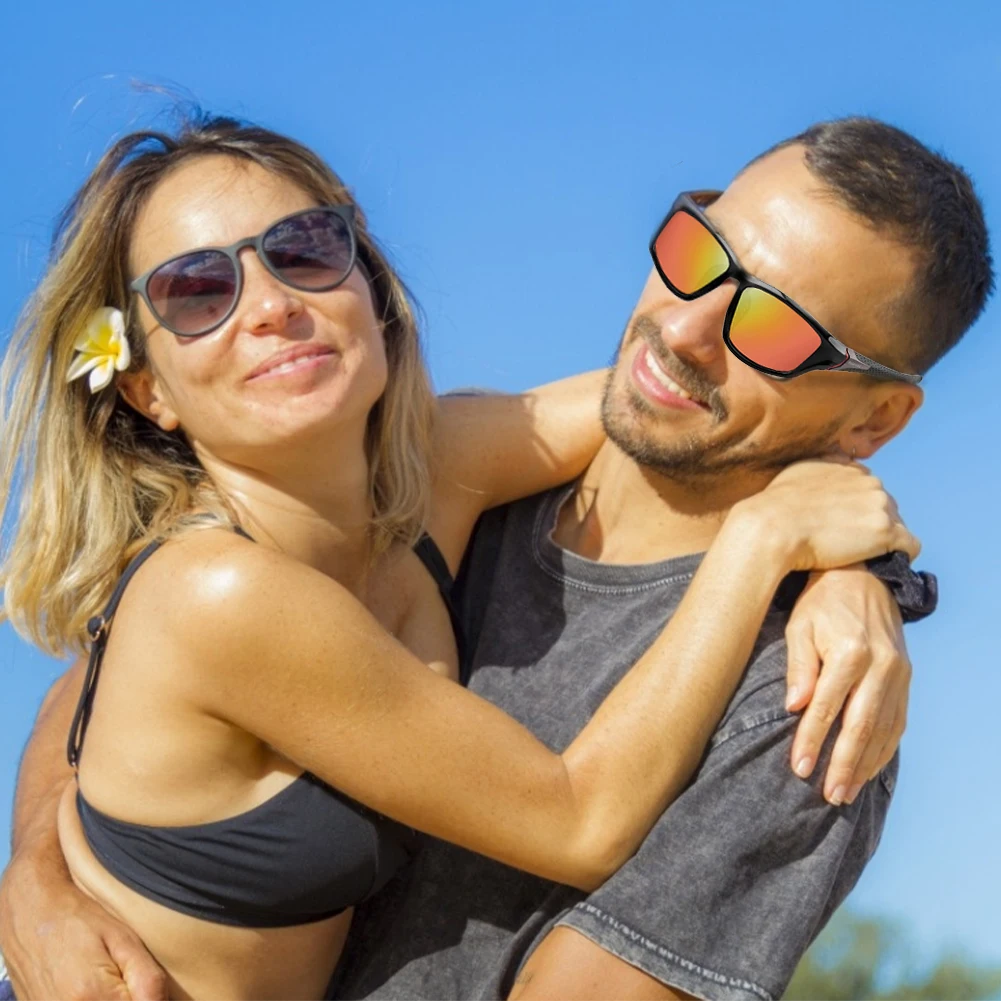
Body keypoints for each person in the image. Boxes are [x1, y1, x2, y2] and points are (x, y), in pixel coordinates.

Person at [0, 114, 953, 1000]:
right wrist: (765, 540)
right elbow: (578, 818)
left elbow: (683, 401)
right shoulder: (216, 588)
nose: (271, 306)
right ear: (146, 389)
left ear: (368, 282)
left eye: (304, 250)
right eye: (197, 291)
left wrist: (857, 569)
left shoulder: (444, 471)